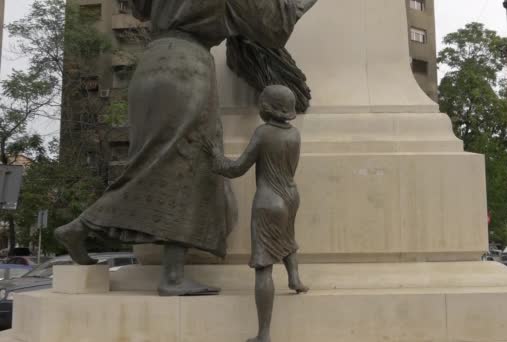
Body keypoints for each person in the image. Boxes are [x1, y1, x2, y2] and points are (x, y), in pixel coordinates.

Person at [54, 0, 317, 297]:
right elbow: (274, 26)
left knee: (151, 166)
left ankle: (81, 226)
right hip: (187, 69)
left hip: (152, 63)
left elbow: (138, 7)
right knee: (188, 169)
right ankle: (172, 276)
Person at [205, 85, 308, 342]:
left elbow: (237, 168)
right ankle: (294, 278)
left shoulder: (263, 134)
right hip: (291, 196)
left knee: (263, 266)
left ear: (267, 108)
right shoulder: (294, 134)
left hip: (268, 200)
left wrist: (215, 158)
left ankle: (263, 333)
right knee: (286, 236)